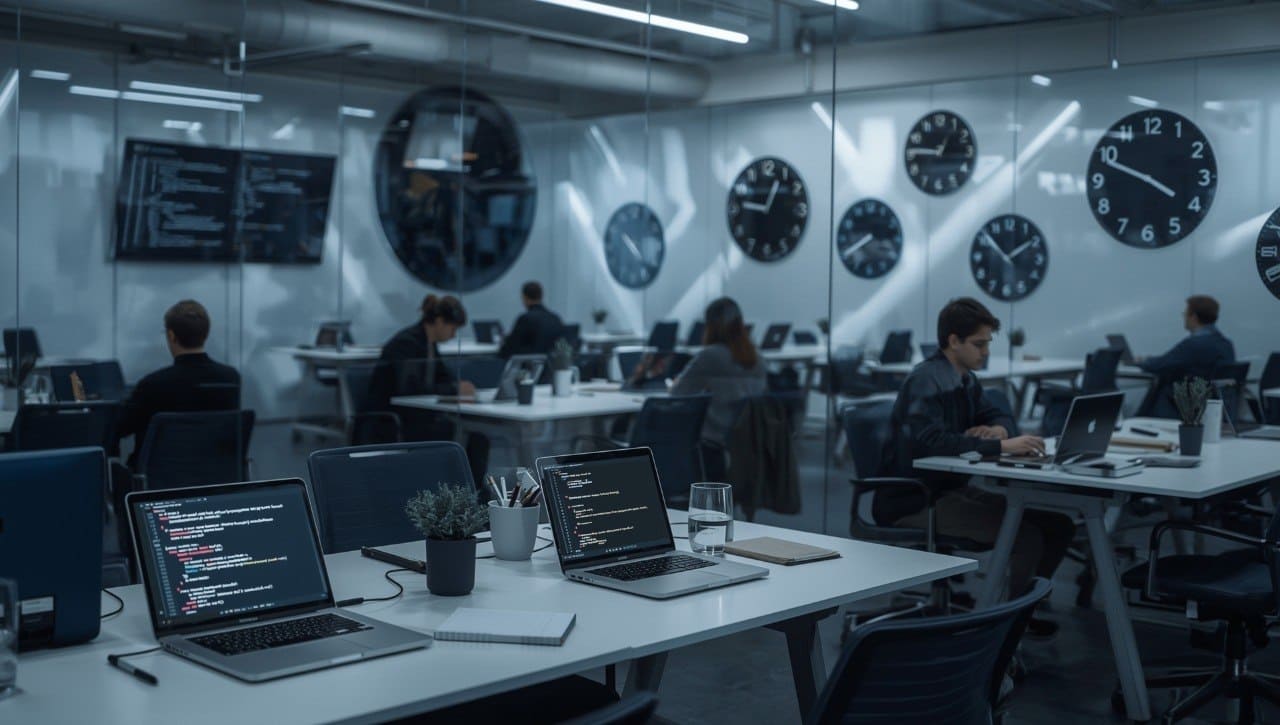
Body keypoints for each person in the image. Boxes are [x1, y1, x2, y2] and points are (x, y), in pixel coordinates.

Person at [880, 297, 1075, 621]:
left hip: (950, 490)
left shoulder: (965, 379)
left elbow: (1000, 412)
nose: (985, 352)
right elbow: (931, 443)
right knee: (1025, 535)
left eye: (987, 344)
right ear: (953, 341)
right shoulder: (926, 379)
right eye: (979, 344)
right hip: (915, 500)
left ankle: (1024, 608)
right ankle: (1007, 623)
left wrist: (998, 429)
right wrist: (1002, 447)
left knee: (1058, 525)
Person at [368, 294, 488, 484]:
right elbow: (411, 388)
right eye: (453, 328)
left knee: (478, 435)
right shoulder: (407, 344)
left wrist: (457, 386)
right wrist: (454, 388)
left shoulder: (427, 344)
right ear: (440, 322)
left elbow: (441, 378)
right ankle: (455, 490)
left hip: (417, 414)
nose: (453, 335)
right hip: (393, 418)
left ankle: (472, 492)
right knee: (461, 432)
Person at [115, 299, 240, 468]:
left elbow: (120, 428)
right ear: (206, 333)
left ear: (171, 335)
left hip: (158, 483)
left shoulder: (153, 384)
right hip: (215, 476)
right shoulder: (230, 378)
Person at [669, 297, 767, 446]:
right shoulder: (757, 358)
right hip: (748, 439)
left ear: (710, 325)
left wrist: (674, 383)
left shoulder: (710, 355)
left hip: (712, 438)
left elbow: (677, 393)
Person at [1136, 295, 1236, 418]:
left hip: (1181, 409)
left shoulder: (1194, 344)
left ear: (1193, 317)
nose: (1183, 317)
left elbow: (1159, 365)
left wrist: (1142, 361)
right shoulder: (1226, 344)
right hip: (1210, 409)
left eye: (1185, 313)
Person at [497, 281, 565, 358]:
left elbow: (510, 347)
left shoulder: (526, 319)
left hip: (528, 366)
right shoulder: (555, 318)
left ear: (524, 297)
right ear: (541, 296)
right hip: (549, 366)